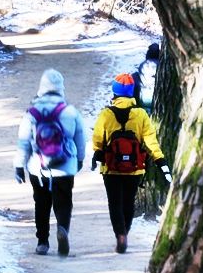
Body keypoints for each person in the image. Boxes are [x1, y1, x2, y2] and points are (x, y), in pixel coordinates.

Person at [92, 73, 171, 253]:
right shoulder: (141, 114)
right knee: (128, 202)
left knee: (114, 202)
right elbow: (150, 140)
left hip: (111, 168)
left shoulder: (106, 114)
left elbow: (98, 138)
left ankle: (119, 234)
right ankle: (125, 232)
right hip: (134, 169)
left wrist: (98, 153)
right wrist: (160, 159)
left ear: (115, 91)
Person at [15, 68, 86, 256]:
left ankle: (42, 241)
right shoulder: (70, 111)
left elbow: (23, 142)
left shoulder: (32, 113)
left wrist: (19, 165)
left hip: (38, 167)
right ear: (61, 88)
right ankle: (62, 229)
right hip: (64, 166)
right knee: (63, 201)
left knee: (41, 203)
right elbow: (80, 137)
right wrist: (79, 159)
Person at [133, 43, 160, 113]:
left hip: (143, 98)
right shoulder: (164, 67)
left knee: (134, 77)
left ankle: (136, 107)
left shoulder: (143, 65)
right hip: (159, 100)